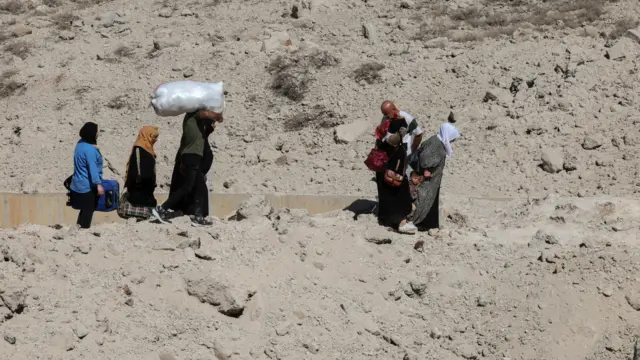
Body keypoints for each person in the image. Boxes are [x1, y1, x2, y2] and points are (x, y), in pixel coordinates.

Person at [153, 109, 221, 226]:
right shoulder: (192, 115)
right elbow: (206, 114)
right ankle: (162, 209)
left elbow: (201, 137)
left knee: (200, 186)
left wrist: (210, 129)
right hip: (191, 157)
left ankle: (198, 217)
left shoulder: (197, 125)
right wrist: (217, 115)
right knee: (188, 187)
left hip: (194, 157)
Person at [407, 122, 460, 231]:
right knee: (421, 199)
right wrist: (426, 168)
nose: (452, 140)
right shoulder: (435, 144)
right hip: (427, 181)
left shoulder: (437, 141)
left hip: (432, 181)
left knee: (429, 202)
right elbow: (425, 157)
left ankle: (425, 222)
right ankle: (411, 221)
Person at [375, 130, 417, 234]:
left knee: (385, 199)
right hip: (393, 180)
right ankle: (401, 223)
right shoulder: (399, 150)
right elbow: (399, 169)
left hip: (382, 177)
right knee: (400, 200)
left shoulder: (382, 146)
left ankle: (385, 219)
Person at [69, 122, 104, 229]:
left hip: (77, 184)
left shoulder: (80, 144)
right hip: (87, 186)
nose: (98, 133)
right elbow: (92, 168)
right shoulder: (90, 151)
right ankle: (83, 230)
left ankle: (78, 228)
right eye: (97, 131)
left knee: (83, 210)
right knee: (88, 210)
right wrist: (98, 184)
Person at [121, 126, 160, 219]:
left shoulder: (147, 150)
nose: (155, 140)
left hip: (145, 192)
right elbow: (135, 174)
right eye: (153, 136)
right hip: (139, 192)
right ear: (147, 136)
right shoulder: (139, 150)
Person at [380, 101, 424, 176]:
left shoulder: (407, 118)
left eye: (387, 114)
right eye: (384, 114)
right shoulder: (386, 118)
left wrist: (414, 148)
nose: (385, 116)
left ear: (394, 109)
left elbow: (419, 134)